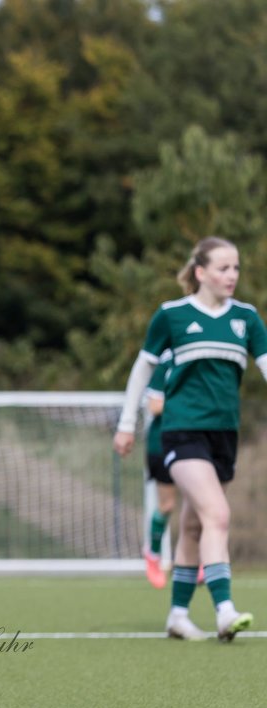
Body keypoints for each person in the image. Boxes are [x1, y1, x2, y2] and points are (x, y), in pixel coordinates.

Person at [113, 236, 263, 642]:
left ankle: (177, 615)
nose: (231, 275)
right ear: (200, 272)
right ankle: (225, 610)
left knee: (196, 525)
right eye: (222, 268)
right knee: (218, 515)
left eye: (236, 268)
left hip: (224, 437)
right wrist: (127, 423)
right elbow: (141, 373)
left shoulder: (247, 319)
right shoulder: (172, 315)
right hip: (182, 432)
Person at [141, 351, 177, 588]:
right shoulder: (167, 360)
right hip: (162, 444)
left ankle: (199, 560)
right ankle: (153, 553)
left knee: (202, 504)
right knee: (168, 505)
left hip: (195, 441)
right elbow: (155, 405)